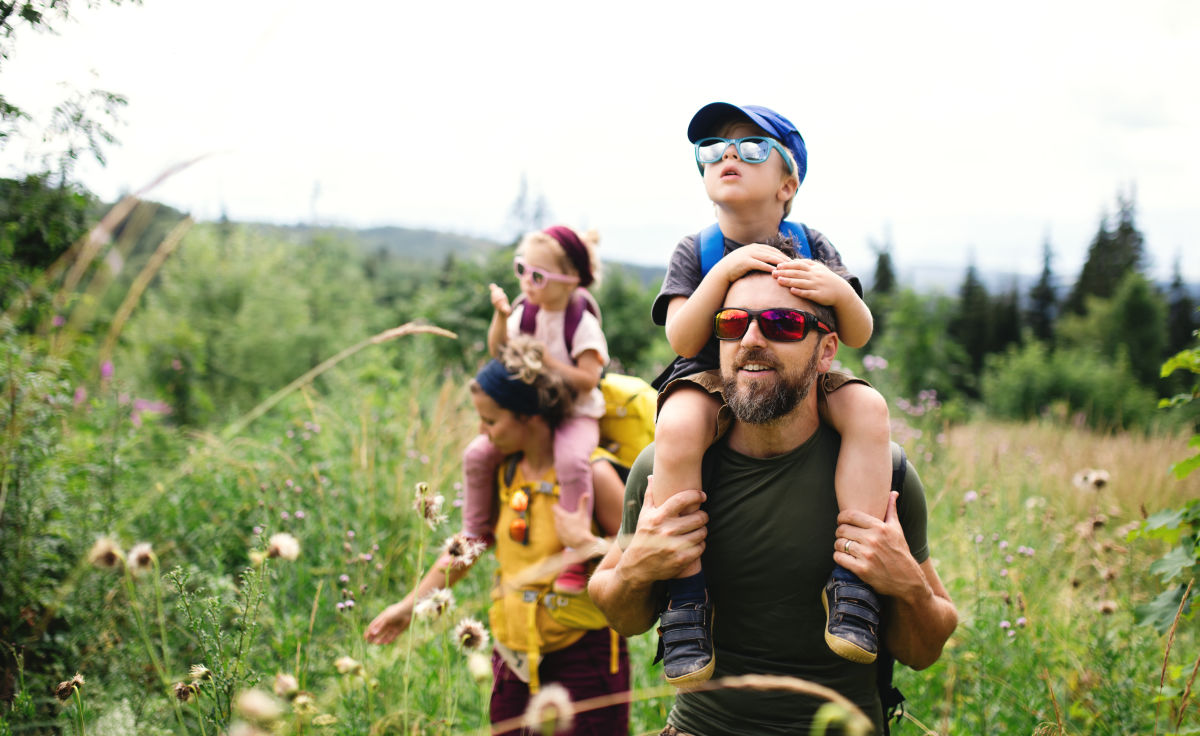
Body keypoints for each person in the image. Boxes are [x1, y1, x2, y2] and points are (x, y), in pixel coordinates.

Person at [589, 268, 957, 734]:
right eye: (731, 323)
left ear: (826, 351)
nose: (751, 339)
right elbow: (620, 615)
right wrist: (635, 568)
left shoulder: (885, 475)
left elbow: (924, 651)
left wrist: (907, 585)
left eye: (783, 324)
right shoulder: (666, 466)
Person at [649, 102, 893, 685]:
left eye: (752, 147)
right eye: (713, 149)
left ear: (788, 184)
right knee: (678, 427)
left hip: (795, 369)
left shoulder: (810, 243)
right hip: (710, 374)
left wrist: (836, 288)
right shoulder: (697, 249)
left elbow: (856, 334)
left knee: (867, 407)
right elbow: (683, 336)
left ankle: (854, 580)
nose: (728, 154)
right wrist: (722, 278)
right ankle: (686, 597)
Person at [366, 337, 630, 735]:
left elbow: (647, 553)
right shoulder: (505, 472)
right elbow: (469, 545)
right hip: (512, 654)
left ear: (531, 416)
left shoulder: (593, 474)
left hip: (585, 656)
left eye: (491, 420)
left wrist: (588, 544)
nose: (482, 431)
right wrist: (410, 607)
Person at [462, 225, 609, 595]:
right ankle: (475, 532)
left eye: (538, 276)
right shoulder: (525, 312)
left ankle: (575, 552)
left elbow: (589, 379)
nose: (527, 282)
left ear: (571, 280)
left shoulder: (581, 322)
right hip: (535, 412)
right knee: (478, 454)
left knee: (572, 461)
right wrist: (500, 317)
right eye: (521, 270)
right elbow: (500, 351)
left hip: (576, 412)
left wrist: (550, 364)